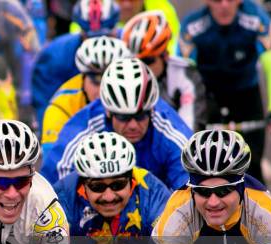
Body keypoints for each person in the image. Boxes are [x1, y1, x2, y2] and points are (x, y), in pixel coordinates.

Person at [41, 58, 192, 190]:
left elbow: (190, 190)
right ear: (108, 111)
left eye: (140, 116)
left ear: (151, 110)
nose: (133, 125)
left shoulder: (171, 132)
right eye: (123, 117)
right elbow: (55, 188)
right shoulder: (82, 129)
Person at [178, 0, 271, 183]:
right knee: (206, 166)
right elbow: (183, 74)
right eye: (217, 1)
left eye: (230, 0)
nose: (224, 5)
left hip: (246, 94)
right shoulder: (192, 26)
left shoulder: (256, 18)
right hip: (208, 96)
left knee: (252, 167)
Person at [32, 0, 120, 125]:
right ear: (81, 33)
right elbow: (45, 106)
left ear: (116, 32)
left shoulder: (131, 46)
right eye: (90, 39)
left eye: (106, 37)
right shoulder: (54, 56)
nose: (99, 46)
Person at [41, 36, 132, 154]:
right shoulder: (61, 105)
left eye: (112, 82)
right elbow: (51, 162)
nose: (103, 91)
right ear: (83, 79)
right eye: (96, 82)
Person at [122, 10, 207, 131]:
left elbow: (190, 128)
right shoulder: (120, 72)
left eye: (148, 61)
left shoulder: (184, 74)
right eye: (134, 61)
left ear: (165, 55)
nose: (140, 68)